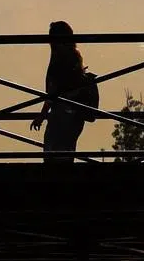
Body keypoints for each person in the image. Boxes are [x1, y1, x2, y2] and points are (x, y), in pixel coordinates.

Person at [30, 21, 95, 161]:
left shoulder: (58, 60)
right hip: (74, 116)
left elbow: (52, 93)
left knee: (52, 153)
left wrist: (42, 115)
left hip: (61, 115)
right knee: (66, 154)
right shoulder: (74, 58)